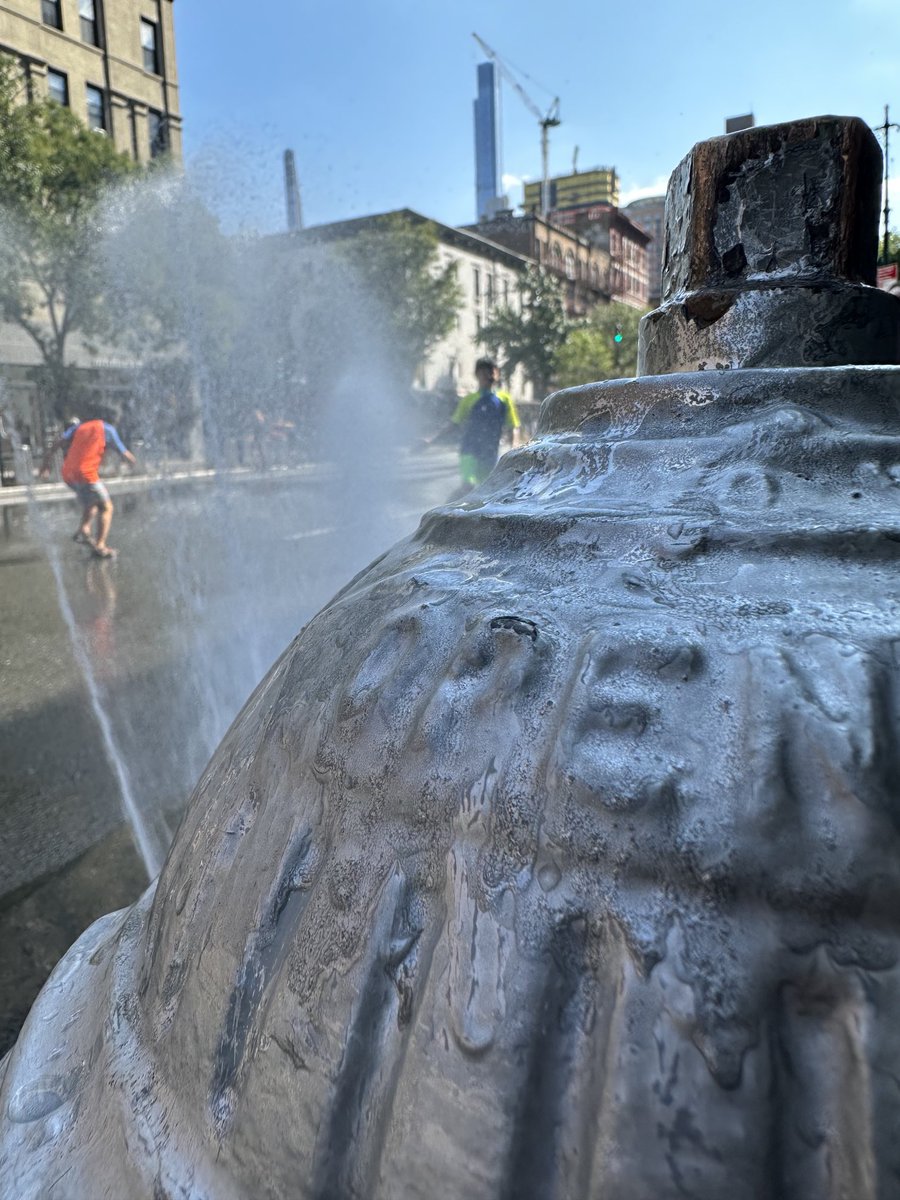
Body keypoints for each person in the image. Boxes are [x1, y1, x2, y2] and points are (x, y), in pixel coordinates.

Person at [40, 410, 136, 558]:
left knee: (91, 503)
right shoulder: (107, 429)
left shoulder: (79, 427)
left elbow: (57, 443)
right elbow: (124, 453)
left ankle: (84, 530)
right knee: (106, 507)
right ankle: (101, 545)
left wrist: (46, 465)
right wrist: (135, 463)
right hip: (86, 474)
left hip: (68, 473)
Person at [425, 358, 520, 495]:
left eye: (492, 373)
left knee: (486, 491)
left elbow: (514, 426)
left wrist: (515, 447)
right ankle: (445, 514)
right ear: (477, 375)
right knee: (467, 487)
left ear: (497, 374)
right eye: (485, 373)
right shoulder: (469, 400)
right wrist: (431, 440)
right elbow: (454, 424)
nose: (489, 376)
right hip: (469, 449)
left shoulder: (504, 399)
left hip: (489, 453)